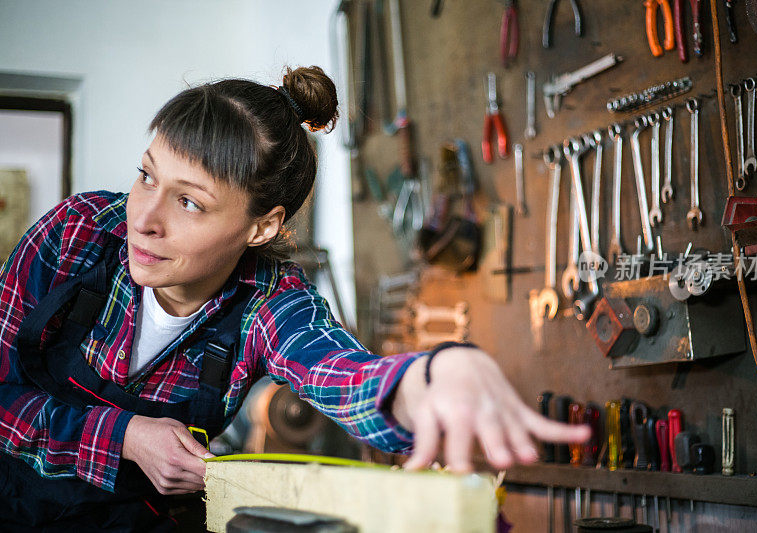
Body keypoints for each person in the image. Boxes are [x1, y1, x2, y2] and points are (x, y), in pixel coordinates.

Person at [0, 65, 589, 531]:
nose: (144, 219)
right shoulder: (78, 233)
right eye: (147, 175)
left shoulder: (269, 303)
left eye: (189, 202)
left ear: (261, 227)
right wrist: (125, 436)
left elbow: (345, 373)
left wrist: (430, 377)